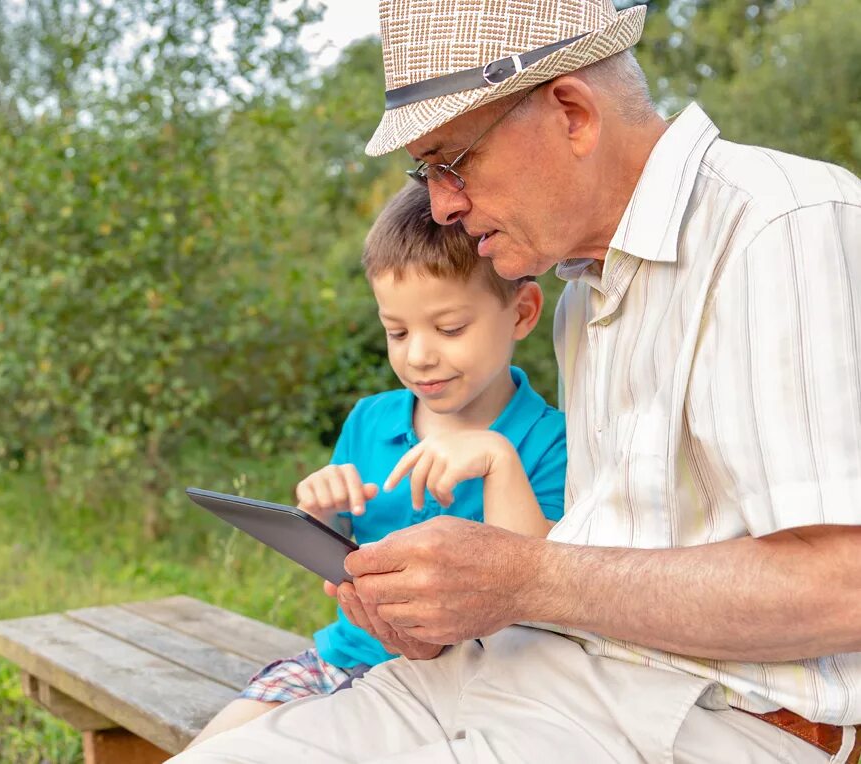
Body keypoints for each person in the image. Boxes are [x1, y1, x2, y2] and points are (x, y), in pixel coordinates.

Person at [172, 0, 861, 761]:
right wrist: (437, 610)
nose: (440, 204)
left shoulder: (782, 224)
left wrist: (527, 579)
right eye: (423, 172)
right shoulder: (581, 298)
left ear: (572, 112)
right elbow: (598, 568)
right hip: (524, 672)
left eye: (452, 162)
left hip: (709, 719)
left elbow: (846, 586)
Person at [189, 182, 567, 746]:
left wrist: (499, 463)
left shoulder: (547, 440)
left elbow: (543, 593)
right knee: (213, 745)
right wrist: (325, 517)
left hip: (470, 690)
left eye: (449, 329)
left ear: (522, 313)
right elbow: (339, 568)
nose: (418, 355)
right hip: (343, 662)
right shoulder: (370, 420)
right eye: (397, 331)